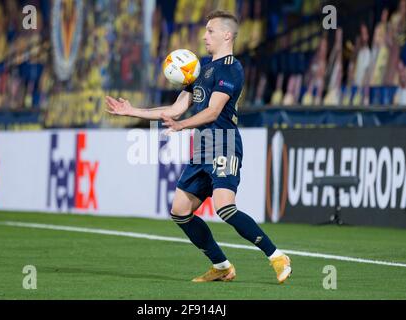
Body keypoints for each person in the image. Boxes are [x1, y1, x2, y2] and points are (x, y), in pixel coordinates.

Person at [105, 10, 292, 284]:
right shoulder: (199, 68)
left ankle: (277, 256)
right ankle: (221, 266)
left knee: (225, 208)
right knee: (180, 211)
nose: (204, 36)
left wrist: (182, 126)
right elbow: (176, 108)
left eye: (210, 31)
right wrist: (132, 110)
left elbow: (214, 111)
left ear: (227, 35)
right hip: (202, 147)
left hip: (224, 143)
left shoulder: (231, 68)